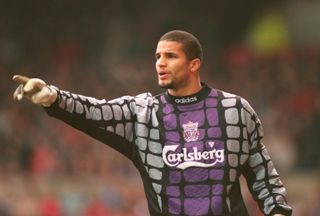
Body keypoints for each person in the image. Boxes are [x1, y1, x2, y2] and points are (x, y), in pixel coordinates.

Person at [12, 30, 292, 216]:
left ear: (194, 64)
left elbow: (263, 177)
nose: (160, 62)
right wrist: (53, 97)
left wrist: (278, 213)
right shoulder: (143, 113)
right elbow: (95, 111)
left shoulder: (234, 110)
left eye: (170, 56)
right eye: (158, 56)